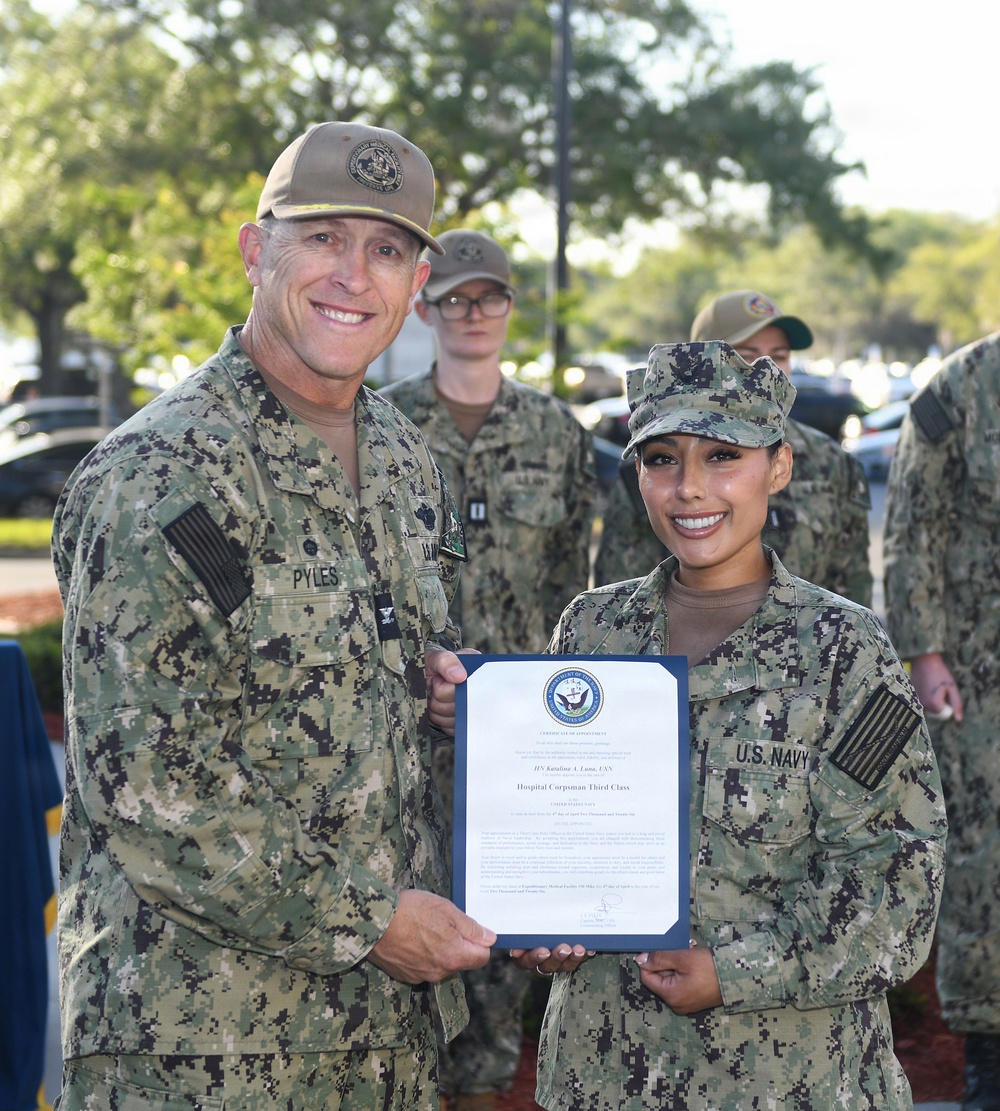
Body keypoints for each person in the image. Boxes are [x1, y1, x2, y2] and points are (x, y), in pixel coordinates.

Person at [50, 121, 497, 1110]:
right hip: (204, 1047)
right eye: (324, 237)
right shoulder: (164, 478)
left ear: (415, 286)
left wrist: (432, 689)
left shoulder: (398, 458)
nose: (354, 274)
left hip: (383, 1047)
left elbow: (341, 665)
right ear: (259, 252)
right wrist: (375, 919)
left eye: (385, 249)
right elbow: (155, 790)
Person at [505, 341, 947, 1108]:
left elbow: (899, 885)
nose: (689, 489)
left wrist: (737, 967)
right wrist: (543, 927)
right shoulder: (593, 629)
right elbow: (553, 834)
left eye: (722, 455)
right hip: (606, 1073)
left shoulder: (844, 648)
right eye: (662, 459)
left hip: (790, 1078)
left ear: (778, 466)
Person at [380, 229, 596, 1109]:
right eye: (457, 299)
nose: (474, 314)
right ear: (426, 307)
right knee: (401, 963)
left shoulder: (558, 433)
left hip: (524, 750)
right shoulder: (383, 424)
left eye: (491, 298)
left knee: (501, 971)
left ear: (511, 309)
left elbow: (596, 586)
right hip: (400, 740)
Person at [882, 331, 1000, 1110]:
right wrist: (924, 653)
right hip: (983, 671)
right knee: (986, 865)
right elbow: (912, 523)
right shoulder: (962, 384)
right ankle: (989, 1051)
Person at [593, 290, 873, 606]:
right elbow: (620, 593)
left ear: (781, 466)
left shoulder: (831, 461)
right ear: (698, 362)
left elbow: (853, 581)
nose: (768, 371)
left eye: (779, 356)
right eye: (745, 356)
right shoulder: (652, 470)